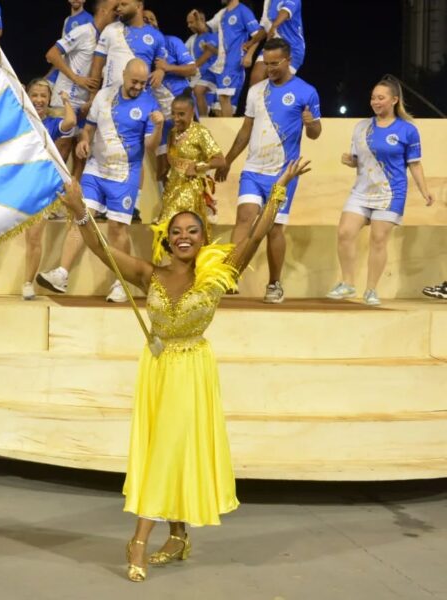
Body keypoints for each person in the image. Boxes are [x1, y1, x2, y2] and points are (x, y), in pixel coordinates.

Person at [61, 157, 311, 582]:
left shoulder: (220, 271)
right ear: (166, 238)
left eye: (191, 231)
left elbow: (256, 233)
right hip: (159, 369)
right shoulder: (148, 273)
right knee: (166, 446)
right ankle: (177, 535)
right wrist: (81, 209)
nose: (183, 237)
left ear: (203, 236)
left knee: (172, 446)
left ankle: (138, 538)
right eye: (176, 231)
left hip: (193, 368)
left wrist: (278, 190)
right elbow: (102, 249)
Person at [37, 59, 163, 303]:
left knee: (117, 228)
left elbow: (151, 146)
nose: (138, 86)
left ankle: (121, 283)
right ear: (124, 75)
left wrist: (158, 127)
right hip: (96, 169)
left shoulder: (149, 104)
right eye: (134, 81)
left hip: (124, 174)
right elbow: (89, 128)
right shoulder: (104, 95)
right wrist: (84, 140)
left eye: (142, 82)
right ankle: (62, 274)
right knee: (82, 217)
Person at [216, 38, 321, 303]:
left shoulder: (306, 91)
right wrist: (228, 160)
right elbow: (245, 131)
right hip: (253, 169)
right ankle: (230, 275)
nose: (270, 68)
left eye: (275, 63)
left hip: (283, 173)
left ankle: (274, 284)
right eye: (267, 63)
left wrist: (310, 124)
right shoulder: (255, 91)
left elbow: (316, 133)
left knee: (273, 229)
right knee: (244, 217)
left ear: (287, 61)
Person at [0, 82, 77, 298]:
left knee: (34, 237)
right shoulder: (19, 120)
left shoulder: (52, 124)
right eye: (34, 95)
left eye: (43, 96)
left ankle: (28, 284)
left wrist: (65, 100)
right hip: (15, 182)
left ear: (49, 100)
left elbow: (71, 121)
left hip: (40, 187)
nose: (39, 99)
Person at [327, 77, 434, 306]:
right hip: (361, 191)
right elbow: (359, 161)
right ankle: (347, 283)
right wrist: (350, 161)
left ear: (394, 100)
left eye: (381, 98)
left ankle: (371, 289)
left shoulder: (408, 130)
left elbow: (414, 164)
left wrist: (425, 191)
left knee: (378, 239)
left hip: (391, 193)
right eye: (373, 97)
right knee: (345, 232)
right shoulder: (361, 128)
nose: (375, 102)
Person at [45, 0, 113, 168]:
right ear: (104, 11)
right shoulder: (83, 31)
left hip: (85, 107)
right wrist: (76, 78)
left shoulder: (105, 39)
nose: (117, 14)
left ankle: (74, 193)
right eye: (114, 11)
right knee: (61, 151)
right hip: (65, 100)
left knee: (81, 154)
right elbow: (51, 54)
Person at [156, 93, 226, 226]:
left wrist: (198, 167)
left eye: (181, 114)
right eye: (173, 113)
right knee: (166, 229)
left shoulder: (201, 132)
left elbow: (220, 160)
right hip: (172, 188)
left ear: (192, 112)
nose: (176, 118)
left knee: (184, 226)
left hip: (193, 188)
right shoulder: (172, 132)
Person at [89, 0, 167, 93]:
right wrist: (93, 95)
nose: (118, 9)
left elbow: (161, 65)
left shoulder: (156, 36)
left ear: (138, 6)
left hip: (139, 97)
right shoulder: (110, 29)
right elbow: (97, 66)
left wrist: (160, 71)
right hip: (109, 97)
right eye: (118, 5)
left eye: (124, 4)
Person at [205, 0, 260, 117]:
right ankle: (226, 132)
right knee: (219, 107)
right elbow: (207, 28)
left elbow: (257, 35)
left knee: (224, 98)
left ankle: (228, 135)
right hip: (221, 64)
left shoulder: (243, 11)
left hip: (234, 61)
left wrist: (249, 55)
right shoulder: (223, 13)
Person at [144, 10, 197, 119]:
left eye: (152, 19)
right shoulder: (137, 49)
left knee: (189, 136)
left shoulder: (172, 42)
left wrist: (167, 67)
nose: (149, 22)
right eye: (145, 20)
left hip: (180, 101)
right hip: (153, 105)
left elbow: (192, 70)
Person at [248, 0, 305, 87]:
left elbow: (285, 12)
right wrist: (250, 43)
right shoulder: (267, 1)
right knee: (256, 79)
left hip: (292, 48)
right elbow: (265, 28)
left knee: (277, 84)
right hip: (273, 45)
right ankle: (257, 100)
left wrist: (274, 25)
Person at [185, 9, 219, 117]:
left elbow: (206, 56)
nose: (189, 26)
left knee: (198, 90)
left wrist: (189, 70)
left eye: (191, 22)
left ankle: (204, 121)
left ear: (202, 20)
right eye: (188, 23)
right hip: (201, 76)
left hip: (213, 73)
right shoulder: (194, 39)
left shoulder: (212, 35)